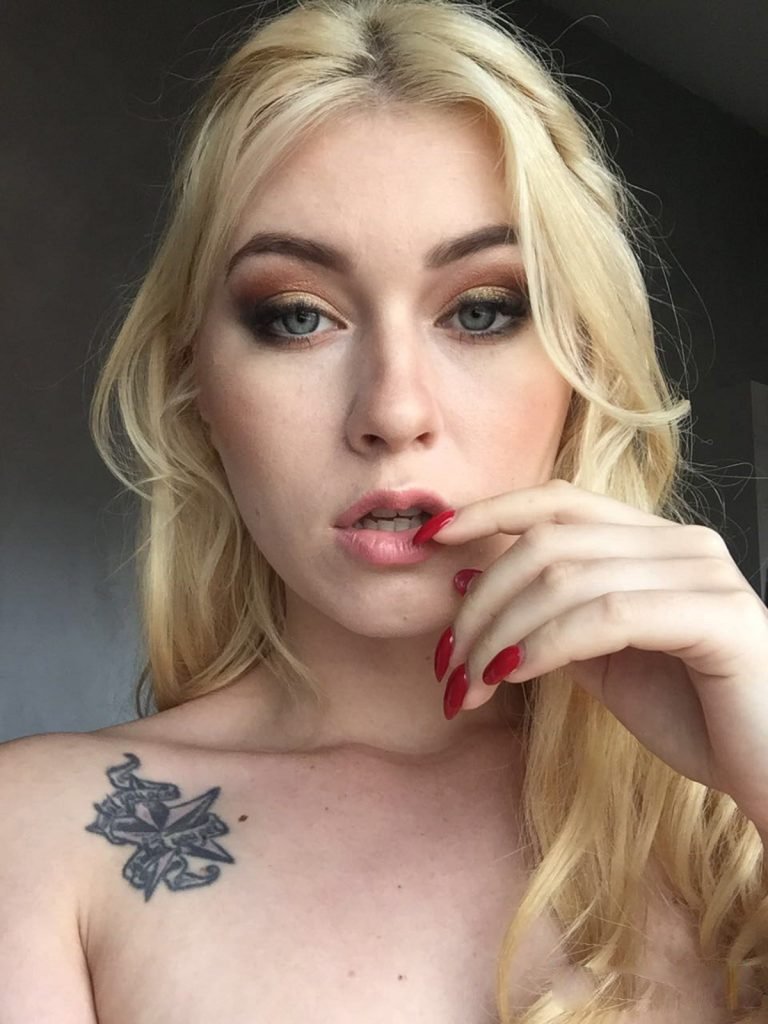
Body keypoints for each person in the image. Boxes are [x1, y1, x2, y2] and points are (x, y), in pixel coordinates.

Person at [2, 0, 768, 1020]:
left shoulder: (729, 819)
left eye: (482, 310)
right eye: (297, 317)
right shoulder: (42, 838)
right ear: (196, 385)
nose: (394, 411)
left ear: (580, 368)